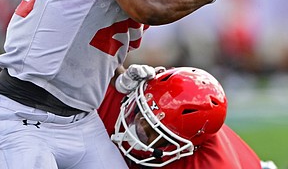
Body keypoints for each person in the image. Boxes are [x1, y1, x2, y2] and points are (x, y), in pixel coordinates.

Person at [0, 0, 221, 168]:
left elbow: (89, 23)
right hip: (23, 114)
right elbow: (146, 5)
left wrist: (116, 74)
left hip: (82, 121)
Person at [99, 66, 278, 169]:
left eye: (155, 132)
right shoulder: (118, 95)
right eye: (139, 114)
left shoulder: (211, 165)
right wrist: (118, 74)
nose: (137, 129)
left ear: (187, 147)